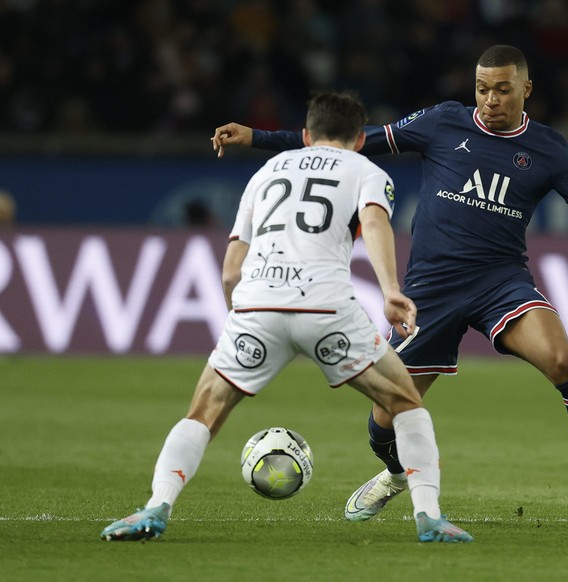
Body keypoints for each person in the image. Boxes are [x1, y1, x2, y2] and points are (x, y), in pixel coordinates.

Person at [212, 45, 568, 527]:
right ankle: (395, 474)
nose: (489, 99)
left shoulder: (549, 149)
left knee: (562, 360)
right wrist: (258, 138)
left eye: (502, 89)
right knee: (385, 419)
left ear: (526, 89)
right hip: (430, 291)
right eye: (482, 88)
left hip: (500, 282)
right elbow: (350, 143)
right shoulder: (442, 122)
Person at [101, 91, 472, 544]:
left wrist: (242, 316)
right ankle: (429, 517)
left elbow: (231, 269)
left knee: (204, 411)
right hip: (326, 307)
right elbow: (374, 225)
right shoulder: (367, 171)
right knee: (406, 404)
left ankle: (156, 507)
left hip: (257, 305)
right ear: (359, 137)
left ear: (308, 133)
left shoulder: (267, 172)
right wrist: (391, 291)